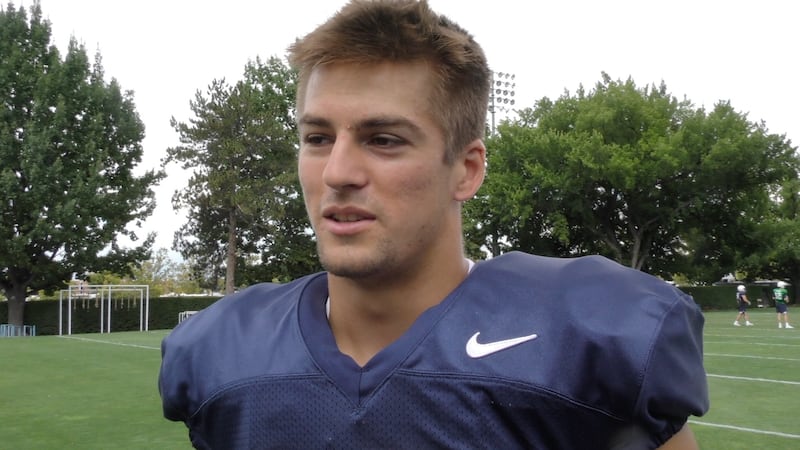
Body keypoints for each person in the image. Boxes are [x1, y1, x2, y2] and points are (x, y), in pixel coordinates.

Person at [158, 1, 709, 448]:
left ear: (466, 170)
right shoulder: (222, 353)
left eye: (383, 139)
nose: (337, 172)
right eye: (318, 138)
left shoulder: (581, 341)